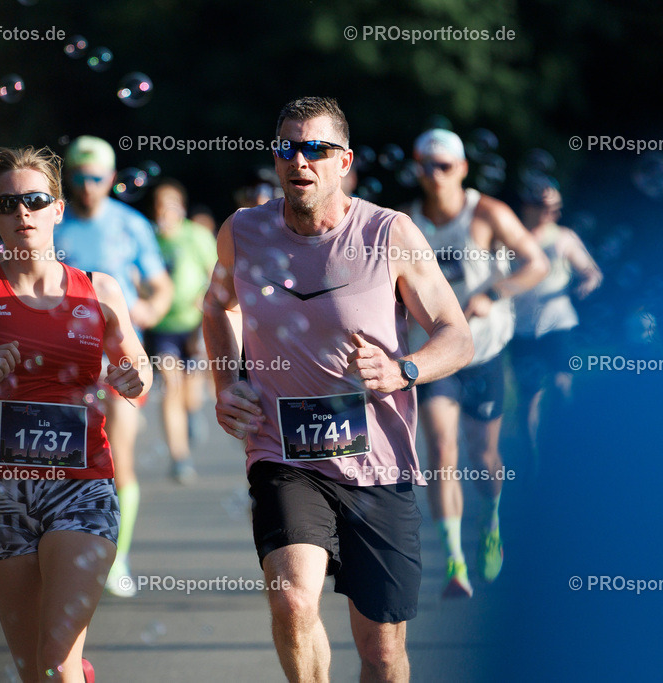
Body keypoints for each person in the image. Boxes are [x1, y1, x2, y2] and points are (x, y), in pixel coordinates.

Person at [203, 96, 473, 682]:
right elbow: (217, 307)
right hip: (284, 454)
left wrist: (404, 370)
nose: (300, 161)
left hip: (378, 464)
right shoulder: (242, 232)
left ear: (344, 161)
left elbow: (457, 335)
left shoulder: (388, 233)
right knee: (292, 600)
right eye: (288, 148)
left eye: (316, 149)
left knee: (383, 653)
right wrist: (228, 381)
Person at [0, 146, 151, 683]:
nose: (23, 212)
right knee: (33, 669)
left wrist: (132, 377)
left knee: (55, 657)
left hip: (82, 486)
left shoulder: (99, 289)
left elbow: (137, 366)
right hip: (0, 493)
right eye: (8, 203)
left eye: (36, 200)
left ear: (58, 209)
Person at [404, 128, 549, 597]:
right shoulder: (405, 223)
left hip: (483, 351)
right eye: (426, 165)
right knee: (442, 448)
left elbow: (536, 264)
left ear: (463, 168)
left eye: (444, 165)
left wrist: (494, 292)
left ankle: (490, 522)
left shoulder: (487, 213)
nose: (435, 174)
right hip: (433, 354)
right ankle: (455, 562)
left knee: (484, 456)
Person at [54, 136, 173, 597]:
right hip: (63, 360)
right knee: (66, 460)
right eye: (79, 177)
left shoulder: (131, 224)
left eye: (97, 177)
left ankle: (116, 557)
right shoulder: (53, 225)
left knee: (118, 456)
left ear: (112, 178)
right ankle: (65, 550)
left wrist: (149, 310)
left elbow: (160, 286)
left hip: (121, 360)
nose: (88, 186)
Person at [511, 179, 602, 474]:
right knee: (529, 397)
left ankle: (565, 452)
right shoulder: (510, 236)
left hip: (559, 325)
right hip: (522, 329)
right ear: (528, 206)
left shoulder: (563, 237)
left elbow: (591, 271)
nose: (553, 214)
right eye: (547, 207)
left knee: (563, 386)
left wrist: (586, 283)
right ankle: (533, 461)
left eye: (557, 208)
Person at [144, 178, 217, 483]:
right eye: (160, 206)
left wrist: (206, 303)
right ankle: (180, 458)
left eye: (170, 205)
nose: (165, 212)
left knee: (191, 395)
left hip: (195, 324)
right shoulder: (149, 239)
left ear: (181, 208)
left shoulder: (196, 236)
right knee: (170, 387)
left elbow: (216, 274)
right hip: (163, 327)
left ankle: (192, 414)